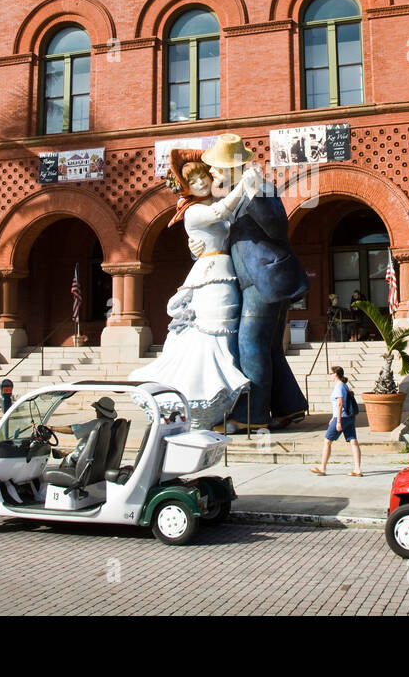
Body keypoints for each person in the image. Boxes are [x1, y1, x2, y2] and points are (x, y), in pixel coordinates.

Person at [130, 148, 255, 428]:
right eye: (193, 181)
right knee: (213, 332)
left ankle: (225, 405)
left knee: (225, 333)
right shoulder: (194, 212)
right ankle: (205, 400)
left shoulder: (214, 201)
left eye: (202, 176)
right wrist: (244, 184)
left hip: (226, 271)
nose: (200, 183)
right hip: (210, 277)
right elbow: (220, 212)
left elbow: (227, 216)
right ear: (185, 187)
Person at [209, 134, 309, 432]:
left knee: (250, 344)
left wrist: (253, 193)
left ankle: (249, 416)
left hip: (263, 282)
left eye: (216, 167)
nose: (212, 173)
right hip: (258, 282)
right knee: (268, 347)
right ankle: (287, 407)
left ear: (231, 168)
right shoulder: (236, 196)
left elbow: (278, 227)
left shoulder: (259, 189)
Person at [311, 366, 362, 477]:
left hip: (342, 418)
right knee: (353, 441)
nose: (330, 375)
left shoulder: (339, 387)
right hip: (349, 417)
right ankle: (358, 469)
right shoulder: (344, 385)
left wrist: (338, 421)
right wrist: (333, 417)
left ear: (336, 374)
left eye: (331, 373)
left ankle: (322, 468)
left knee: (327, 441)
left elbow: (340, 404)